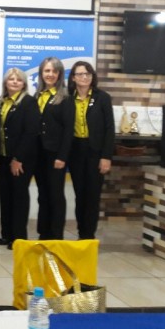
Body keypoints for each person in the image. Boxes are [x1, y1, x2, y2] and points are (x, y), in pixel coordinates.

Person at [67, 61, 114, 240]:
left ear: (92, 77)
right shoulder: (68, 98)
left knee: (93, 195)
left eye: (88, 74)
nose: (84, 77)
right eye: (80, 74)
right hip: (76, 151)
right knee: (80, 194)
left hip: (95, 151)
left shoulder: (102, 97)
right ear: (73, 78)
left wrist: (106, 156)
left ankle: (89, 235)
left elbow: (109, 128)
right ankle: (81, 233)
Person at [0, 68, 40, 249]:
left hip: (21, 159)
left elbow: (31, 132)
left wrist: (18, 158)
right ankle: (7, 234)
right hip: (4, 156)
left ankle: (19, 237)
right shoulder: (1, 101)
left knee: (19, 197)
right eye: (11, 79)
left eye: (19, 80)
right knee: (5, 195)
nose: (14, 82)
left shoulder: (29, 102)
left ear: (24, 84)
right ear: (5, 82)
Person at [34, 56, 75, 240]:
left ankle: (56, 234)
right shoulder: (37, 96)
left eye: (54, 71)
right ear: (41, 73)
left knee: (55, 195)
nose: (50, 74)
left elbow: (68, 130)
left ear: (59, 74)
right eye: (47, 71)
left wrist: (62, 156)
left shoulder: (65, 98)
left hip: (55, 155)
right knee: (42, 194)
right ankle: (43, 232)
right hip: (38, 154)